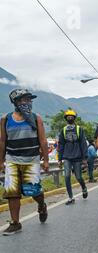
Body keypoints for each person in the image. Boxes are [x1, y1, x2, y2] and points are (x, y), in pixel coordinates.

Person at [0, 89, 49, 235]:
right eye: (24, 100)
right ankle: (15, 223)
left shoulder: (36, 118)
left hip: (31, 160)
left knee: (32, 191)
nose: (27, 102)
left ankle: (41, 204)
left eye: (29, 100)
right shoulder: (5, 119)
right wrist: (1, 161)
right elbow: (2, 141)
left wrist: (46, 160)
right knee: (12, 192)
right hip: (12, 160)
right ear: (15, 102)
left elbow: (43, 140)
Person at [58, 109, 88, 205]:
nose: (70, 118)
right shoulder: (63, 130)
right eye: (68, 117)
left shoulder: (79, 129)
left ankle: (84, 188)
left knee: (78, 177)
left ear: (74, 118)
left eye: (71, 117)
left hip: (77, 156)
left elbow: (83, 144)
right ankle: (71, 197)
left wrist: (84, 158)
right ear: (66, 119)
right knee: (67, 176)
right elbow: (61, 144)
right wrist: (59, 158)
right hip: (67, 156)